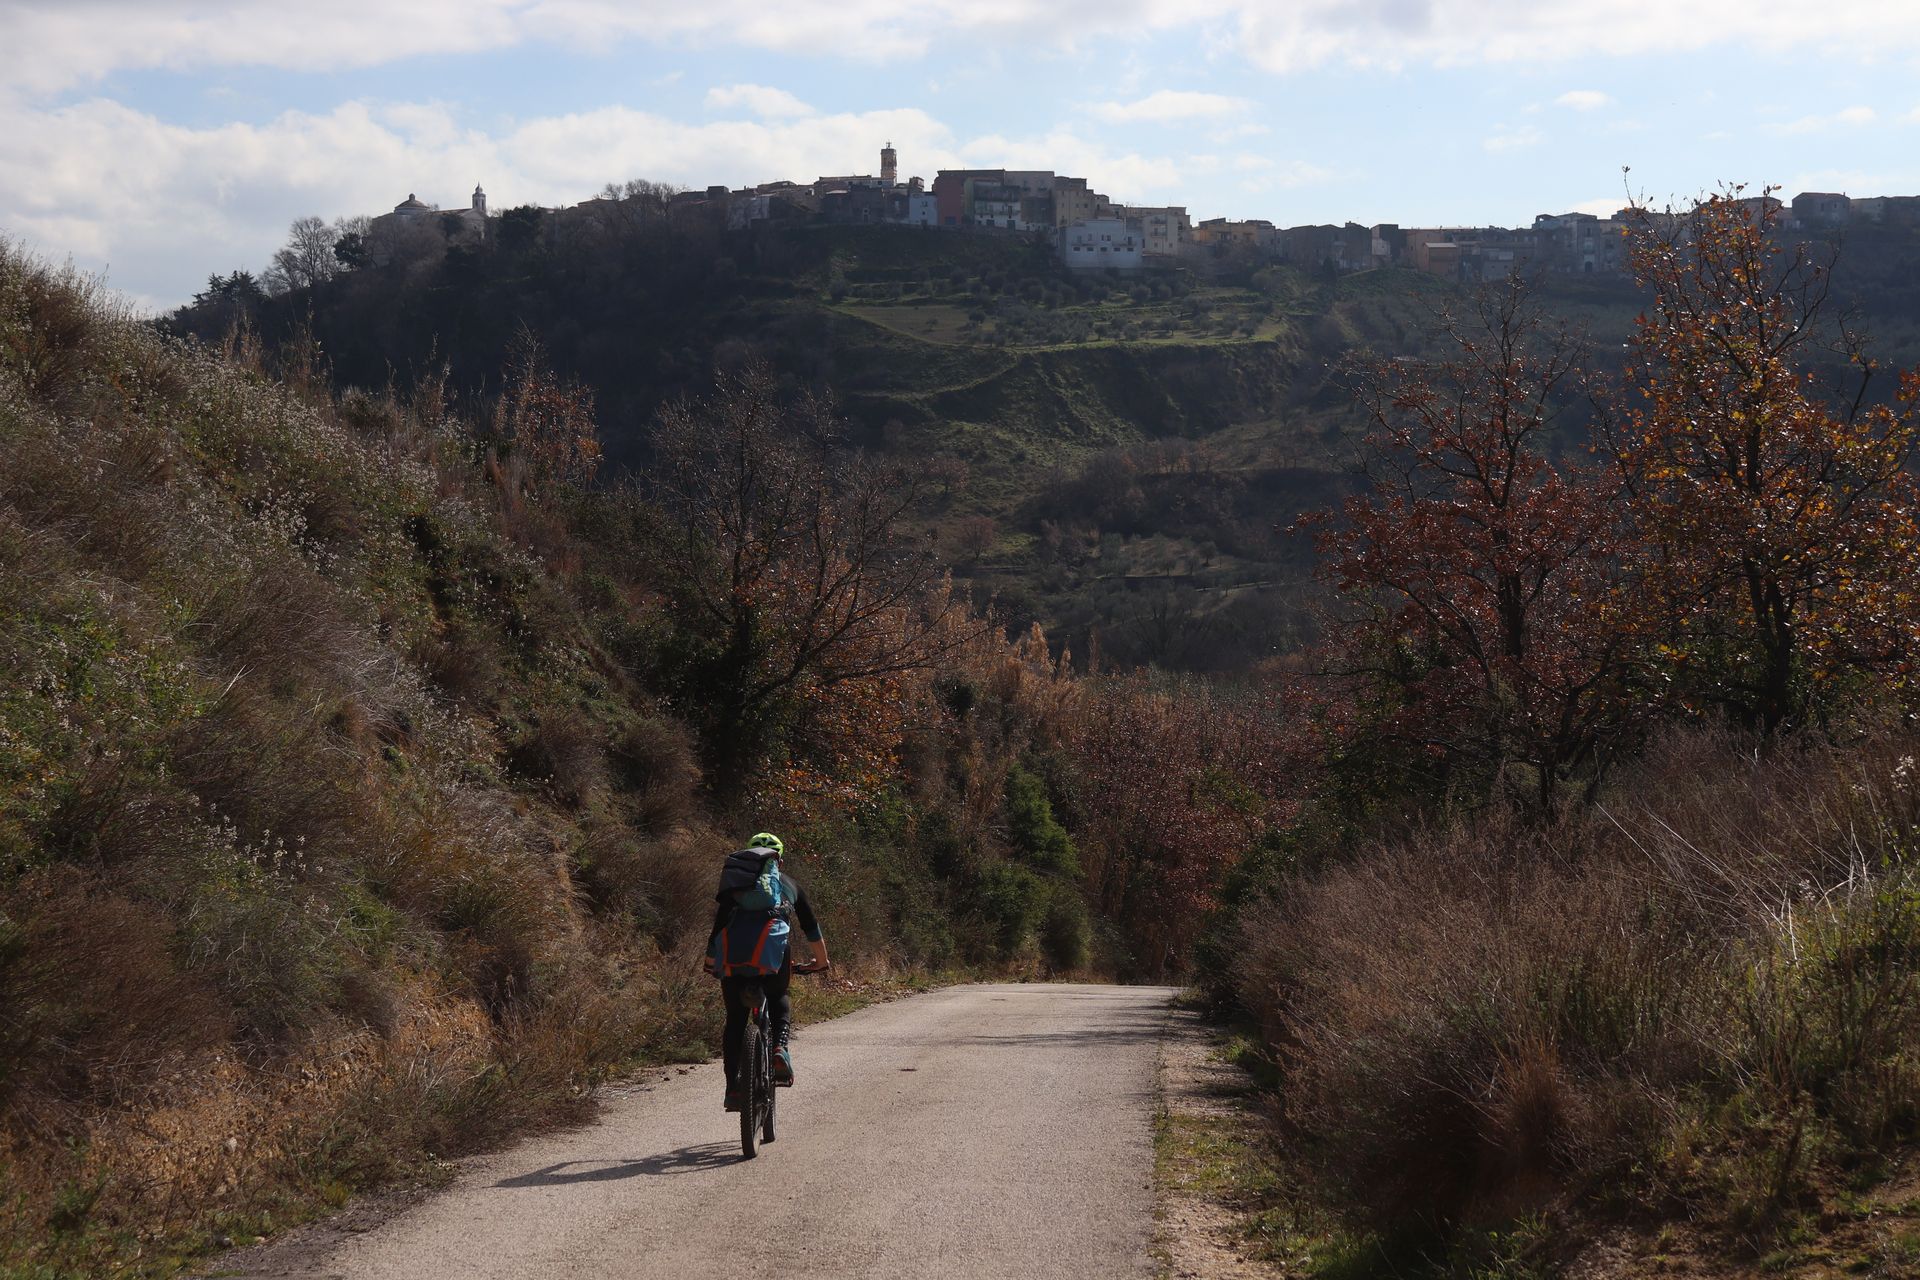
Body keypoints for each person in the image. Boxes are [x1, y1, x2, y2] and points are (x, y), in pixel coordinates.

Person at [705, 832, 830, 1111]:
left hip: (734, 957)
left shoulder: (735, 883)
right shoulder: (789, 884)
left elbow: (719, 927)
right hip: (774, 956)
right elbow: (810, 927)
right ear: (779, 860)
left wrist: (711, 961)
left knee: (735, 1020)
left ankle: (733, 1090)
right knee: (778, 996)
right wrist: (821, 962)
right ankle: (778, 1048)